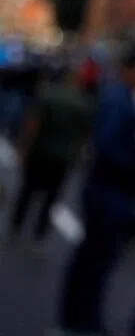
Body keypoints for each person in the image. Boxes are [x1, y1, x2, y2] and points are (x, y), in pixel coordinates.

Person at [46, 44, 135, 336]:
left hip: (109, 192)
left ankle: (79, 325)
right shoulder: (118, 99)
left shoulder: (121, 97)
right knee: (95, 263)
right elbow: (109, 148)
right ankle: (79, 328)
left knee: (93, 261)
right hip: (109, 193)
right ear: (134, 68)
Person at [8, 57, 98, 245]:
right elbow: (85, 136)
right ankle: (39, 234)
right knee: (50, 198)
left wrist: (23, 148)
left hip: (40, 153)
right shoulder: (84, 103)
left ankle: (16, 227)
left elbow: (33, 124)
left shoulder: (49, 95)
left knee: (27, 192)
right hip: (62, 159)